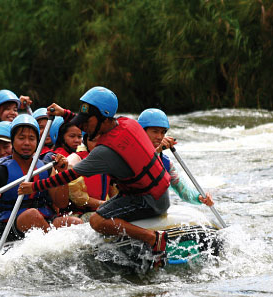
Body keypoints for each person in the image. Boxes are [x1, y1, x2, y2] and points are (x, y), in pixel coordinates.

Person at [17, 86, 171, 267]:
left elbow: (68, 175)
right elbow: (89, 121)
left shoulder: (104, 152)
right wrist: (64, 113)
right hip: (154, 193)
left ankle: (153, 239)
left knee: (97, 221)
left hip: (149, 201)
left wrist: (34, 187)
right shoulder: (125, 123)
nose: (82, 127)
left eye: (86, 122)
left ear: (103, 119)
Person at [0, 114, 82, 243]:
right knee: (32, 215)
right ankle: (54, 249)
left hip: (44, 221)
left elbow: (61, 203)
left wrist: (62, 174)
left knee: (75, 222)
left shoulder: (46, 168)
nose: (27, 143)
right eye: (21, 138)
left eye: (31, 138)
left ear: (37, 142)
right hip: (10, 227)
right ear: (12, 141)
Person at [138, 108, 214, 207]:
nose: (160, 136)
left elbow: (183, 191)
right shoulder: (128, 152)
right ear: (142, 131)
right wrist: (155, 151)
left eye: (163, 132)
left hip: (150, 207)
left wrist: (200, 198)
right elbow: (139, 163)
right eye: (155, 131)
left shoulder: (165, 163)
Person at [66, 134, 117, 219]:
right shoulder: (73, 160)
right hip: (79, 215)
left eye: (101, 140)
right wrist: (105, 204)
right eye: (93, 140)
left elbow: (114, 192)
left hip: (103, 210)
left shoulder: (110, 160)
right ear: (85, 141)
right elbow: (78, 198)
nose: (97, 144)